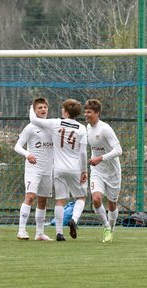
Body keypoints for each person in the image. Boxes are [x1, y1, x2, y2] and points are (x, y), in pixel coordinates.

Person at [29, 99, 88, 241]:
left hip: (58, 169)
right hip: (74, 168)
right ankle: (74, 219)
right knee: (81, 197)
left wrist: (32, 106)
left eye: (63, 108)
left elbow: (33, 119)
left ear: (66, 112)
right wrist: (84, 170)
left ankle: (59, 233)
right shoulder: (81, 128)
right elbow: (83, 153)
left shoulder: (55, 123)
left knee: (60, 200)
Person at [14, 98, 54, 241]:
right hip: (33, 168)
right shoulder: (30, 127)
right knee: (30, 197)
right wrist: (27, 154)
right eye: (40, 108)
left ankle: (39, 233)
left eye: (45, 107)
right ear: (34, 110)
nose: (43, 110)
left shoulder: (52, 126)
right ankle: (22, 230)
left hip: (48, 169)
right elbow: (17, 146)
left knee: (43, 201)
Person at [84, 99, 122, 243]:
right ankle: (106, 227)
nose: (86, 115)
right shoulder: (87, 128)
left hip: (112, 171)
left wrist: (101, 158)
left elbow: (119, 150)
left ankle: (111, 229)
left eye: (89, 112)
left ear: (97, 113)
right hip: (97, 170)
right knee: (96, 198)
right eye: (85, 111)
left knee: (112, 204)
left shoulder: (105, 129)